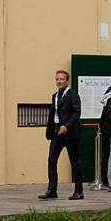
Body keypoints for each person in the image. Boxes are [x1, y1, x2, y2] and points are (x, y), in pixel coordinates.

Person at [40, 70, 83, 200]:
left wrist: (66, 126)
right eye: (57, 79)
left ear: (67, 81)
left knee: (75, 162)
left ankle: (79, 191)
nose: (59, 81)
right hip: (57, 132)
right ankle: (52, 190)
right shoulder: (55, 96)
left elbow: (76, 113)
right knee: (52, 160)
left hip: (70, 133)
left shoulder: (73, 95)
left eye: (62, 79)